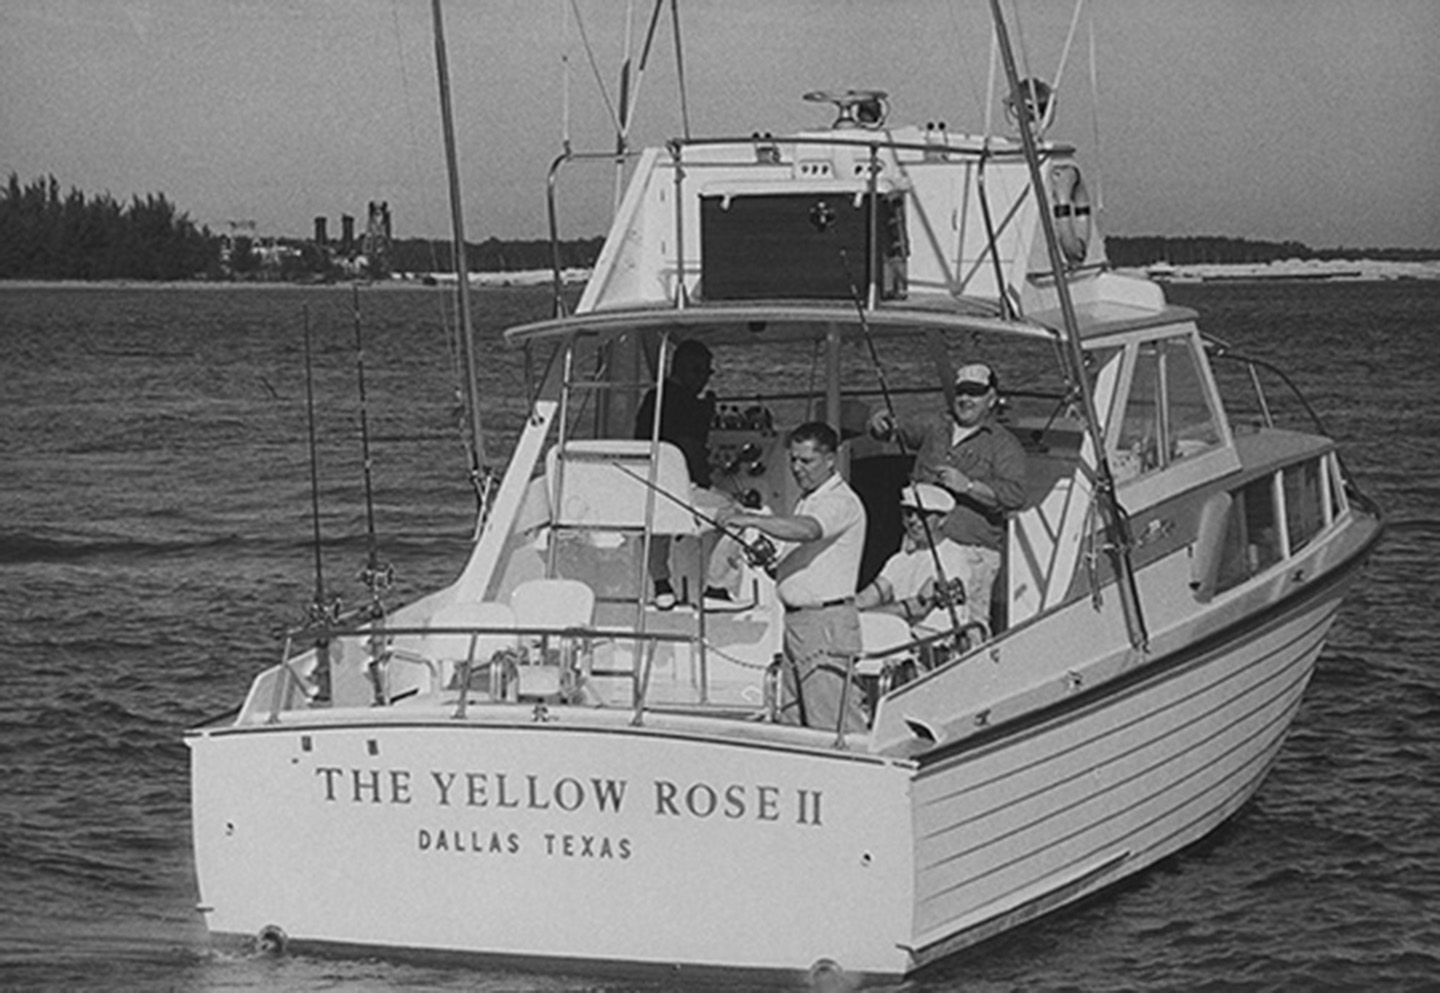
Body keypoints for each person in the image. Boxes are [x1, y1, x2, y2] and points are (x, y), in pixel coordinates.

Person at [719, 422, 868, 733]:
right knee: (794, 720)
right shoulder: (808, 498)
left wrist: (752, 519)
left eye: (806, 461)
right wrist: (776, 566)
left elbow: (808, 530)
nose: (797, 468)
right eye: (793, 460)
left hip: (825, 626)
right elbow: (806, 552)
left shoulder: (840, 501)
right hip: (798, 624)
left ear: (831, 459)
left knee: (831, 724)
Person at [868, 362, 1026, 627]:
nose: (965, 399)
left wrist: (968, 486)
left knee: (968, 625)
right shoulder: (936, 426)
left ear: (991, 398)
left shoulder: (1004, 445)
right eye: (961, 392)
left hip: (970, 551)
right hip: (920, 544)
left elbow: (1015, 495)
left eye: (975, 393)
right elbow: (893, 426)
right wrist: (878, 421)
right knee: (908, 620)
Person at [634, 339, 715, 609]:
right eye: (697, 370)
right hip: (681, 490)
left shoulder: (653, 398)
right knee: (740, 513)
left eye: (705, 372)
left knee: (657, 517)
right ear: (678, 368)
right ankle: (717, 586)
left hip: (650, 484)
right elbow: (692, 447)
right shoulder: (687, 404)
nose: (702, 378)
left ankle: (661, 582)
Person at [855, 482, 974, 638]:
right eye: (909, 513)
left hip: (935, 644)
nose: (914, 520)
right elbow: (871, 595)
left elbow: (919, 607)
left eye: (923, 515)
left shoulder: (952, 556)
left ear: (942, 519)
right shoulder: (900, 559)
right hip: (901, 638)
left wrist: (863, 615)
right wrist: (838, 610)